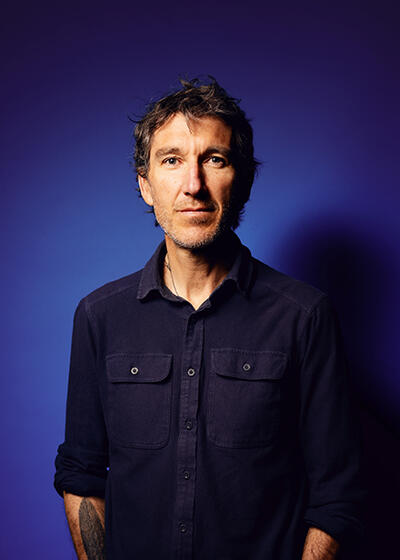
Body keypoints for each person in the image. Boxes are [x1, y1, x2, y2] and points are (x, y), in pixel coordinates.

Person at [54, 78, 364, 560]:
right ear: (145, 185)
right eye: (171, 160)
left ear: (243, 180)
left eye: (214, 159)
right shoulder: (99, 316)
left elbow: (337, 494)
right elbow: (82, 474)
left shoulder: (304, 316)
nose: (193, 185)